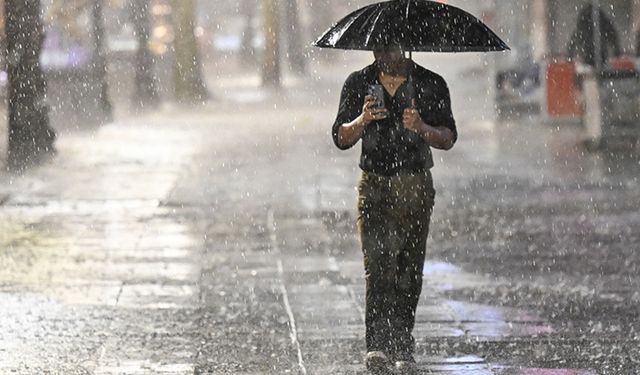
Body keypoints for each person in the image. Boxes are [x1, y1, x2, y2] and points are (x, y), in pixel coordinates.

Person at [331, 44, 456, 375]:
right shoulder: (358, 83)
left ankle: (402, 345)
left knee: (409, 269)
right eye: (381, 49)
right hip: (374, 184)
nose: (386, 55)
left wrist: (421, 128)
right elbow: (340, 137)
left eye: (393, 48)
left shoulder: (431, 84)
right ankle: (377, 346)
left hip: (414, 183)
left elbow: (447, 137)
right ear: (373, 50)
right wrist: (363, 119)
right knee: (378, 267)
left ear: (407, 47)